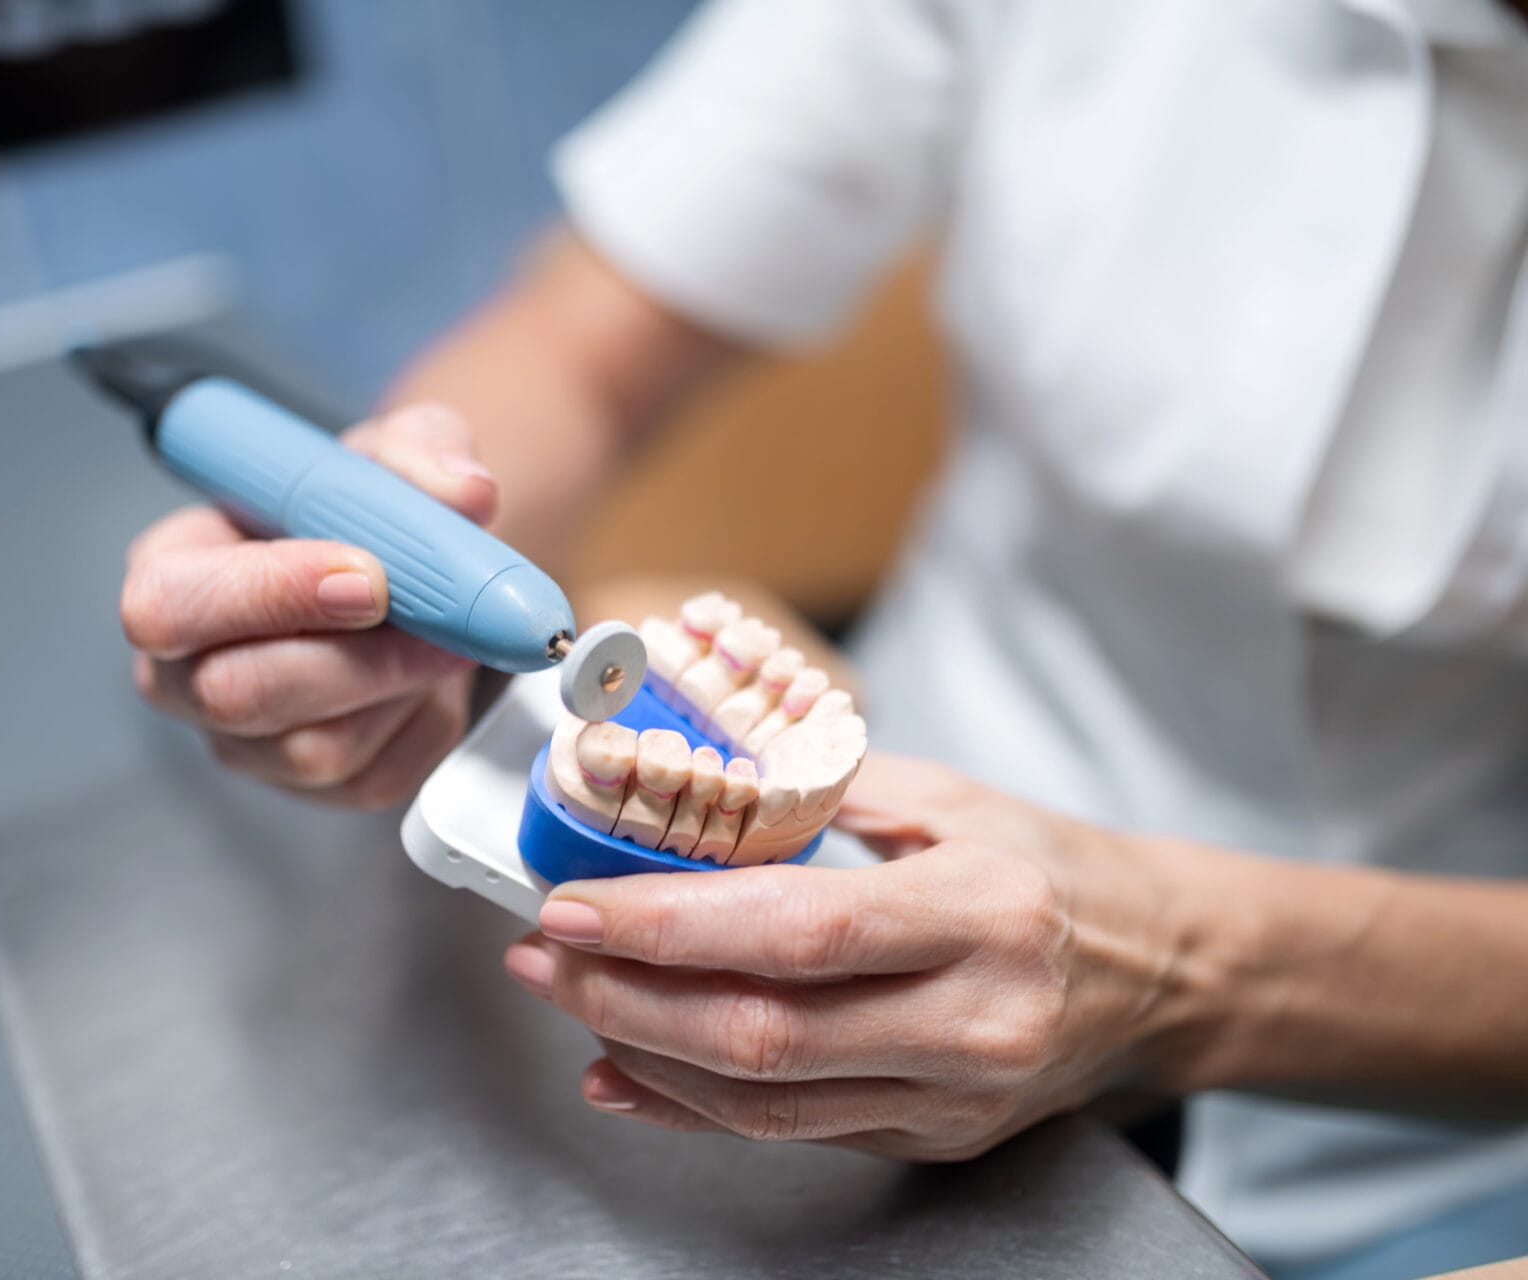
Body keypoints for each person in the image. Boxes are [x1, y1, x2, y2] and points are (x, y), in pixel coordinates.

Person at [116, 2, 1528, 1275]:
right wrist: (400, 538)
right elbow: (580, 350)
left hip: (1410, 1120)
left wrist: (1181, 971)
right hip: (883, 854)